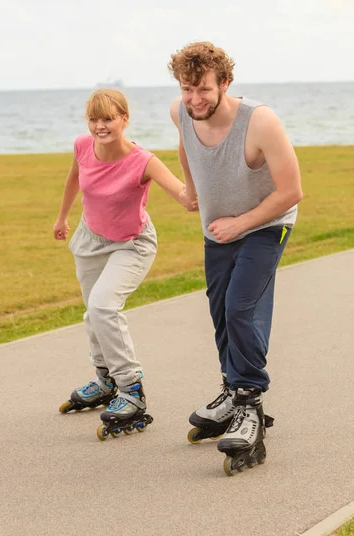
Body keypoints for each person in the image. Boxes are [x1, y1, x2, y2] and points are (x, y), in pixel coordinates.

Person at [168, 42, 303, 475]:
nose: (194, 99)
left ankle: (249, 404)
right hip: (218, 229)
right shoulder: (181, 112)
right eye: (187, 89)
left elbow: (291, 191)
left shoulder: (259, 122)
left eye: (203, 89)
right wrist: (191, 189)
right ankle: (231, 389)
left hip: (267, 224)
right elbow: (184, 147)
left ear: (225, 83)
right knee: (221, 313)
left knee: (241, 307)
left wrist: (240, 223)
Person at [53, 88, 195, 439]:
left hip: (131, 244)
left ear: (124, 120)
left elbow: (184, 198)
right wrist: (62, 218)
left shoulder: (143, 161)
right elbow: (74, 178)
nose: (100, 126)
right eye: (94, 119)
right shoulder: (82, 145)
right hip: (91, 238)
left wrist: (192, 166)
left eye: (108, 119)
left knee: (103, 307)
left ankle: (131, 390)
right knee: (92, 312)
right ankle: (105, 381)